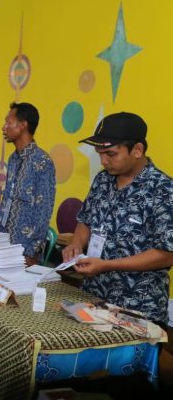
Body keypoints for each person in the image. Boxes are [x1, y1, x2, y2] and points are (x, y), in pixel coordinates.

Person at [62, 112, 173, 326]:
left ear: (137, 150)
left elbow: (167, 254)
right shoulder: (102, 180)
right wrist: (76, 244)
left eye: (111, 154)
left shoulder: (163, 190)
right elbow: (86, 220)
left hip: (137, 308)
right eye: (100, 154)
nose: (104, 161)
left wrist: (108, 265)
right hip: (93, 297)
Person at [0, 102, 55, 266]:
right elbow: (7, 202)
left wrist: (31, 252)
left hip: (24, 252)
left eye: (8, 122)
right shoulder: (13, 159)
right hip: (3, 245)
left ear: (23, 125)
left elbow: (44, 211)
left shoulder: (42, 161)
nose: (3, 127)